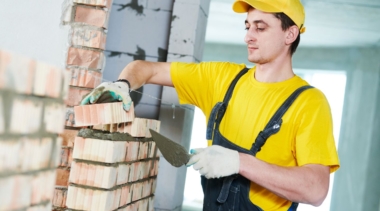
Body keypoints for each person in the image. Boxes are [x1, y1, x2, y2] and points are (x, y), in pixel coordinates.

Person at [81, 0, 340, 210]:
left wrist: (239, 163)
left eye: (260, 28)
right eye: (247, 26)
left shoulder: (309, 103)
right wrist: (122, 84)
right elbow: (145, 68)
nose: (248, 36)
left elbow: (316, 190)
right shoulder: (221, 79)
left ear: (290, 34)